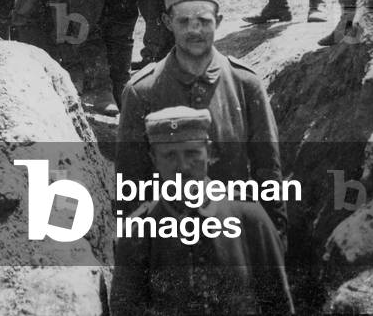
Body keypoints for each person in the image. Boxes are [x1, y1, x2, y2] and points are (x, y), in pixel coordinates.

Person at [115, 0, 286, 235]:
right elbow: (129, 183)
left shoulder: (245, 83)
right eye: (183, 21)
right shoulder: (142, 91)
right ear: (167, 23)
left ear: (218, 22)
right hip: (167, 239)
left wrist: (275, 242)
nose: (194, 30)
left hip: (234, 236)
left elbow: (269, 172)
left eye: (204, 21)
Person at [110, 105, 294, 315]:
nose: (183, 166)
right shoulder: (140, 231)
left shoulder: (249, 216)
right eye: (170, 155)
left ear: (209, 152)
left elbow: (279, 304)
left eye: (192, 153)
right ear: (154, 160)